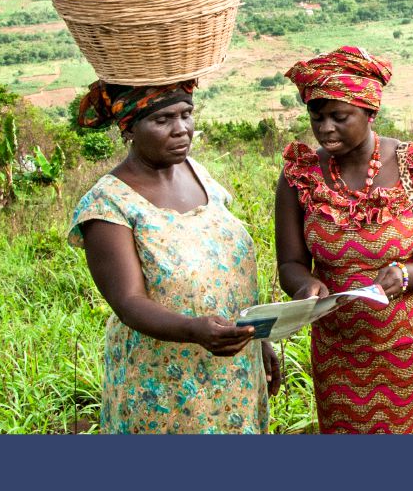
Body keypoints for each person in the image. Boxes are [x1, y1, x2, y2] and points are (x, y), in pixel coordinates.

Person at [68, 79, 281, 434]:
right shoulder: (108, 204)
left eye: (186, 114)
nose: (182, 129)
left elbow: (227, 273)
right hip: (162, 383)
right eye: (163, 119)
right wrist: (194, 330)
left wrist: (259, 340)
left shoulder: (198, 174)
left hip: (232, 371)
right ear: (130, 128)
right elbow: (128, 301)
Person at [275, 46, 413, 434]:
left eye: (339, 117)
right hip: (338, 350)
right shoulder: (301, 175)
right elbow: (290, 262)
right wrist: (305, 285)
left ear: (369, 111)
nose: (325, 128)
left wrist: (406, 274)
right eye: (317, 117)